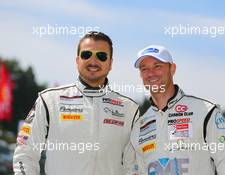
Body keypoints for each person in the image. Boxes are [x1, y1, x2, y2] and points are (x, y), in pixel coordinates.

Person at [13, 31, 139, 175]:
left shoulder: (129, 109)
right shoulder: (49, 100)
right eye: (86, 55)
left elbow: (133, 165)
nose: (93, 61)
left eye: (101, 56)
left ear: (110, 63)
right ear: (77, 60)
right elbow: (25, 153)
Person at [124, 45, 225, 174]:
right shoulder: (139, 126)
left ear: (172, 69)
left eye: (157, 66)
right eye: (144, 69)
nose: (151, 73)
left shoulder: (205, 111)